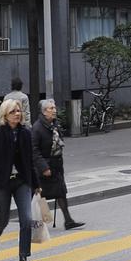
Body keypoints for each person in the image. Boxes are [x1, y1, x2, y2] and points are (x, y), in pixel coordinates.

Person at [0, 97, 41, 261]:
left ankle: (23, 258)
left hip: (22, 181)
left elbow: (30, 160)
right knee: (2, 221)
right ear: (5, 115)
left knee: (26, 219)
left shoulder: (26, 133)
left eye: (19, 110)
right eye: (13, 111)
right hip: (2, 183)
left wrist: (36, 184)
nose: (17, 114)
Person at [32, 99, 84, 230]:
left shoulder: (53, 124)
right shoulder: (37, 128)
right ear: (44, 112)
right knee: (40, 195)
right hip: (45, 166)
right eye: (51, 108)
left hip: (56, 165)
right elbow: (34, 150)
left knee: (61, 192)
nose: (54, 110)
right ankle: (42, 222)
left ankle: (68, 220)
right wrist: (43, 167)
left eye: (54, 107)